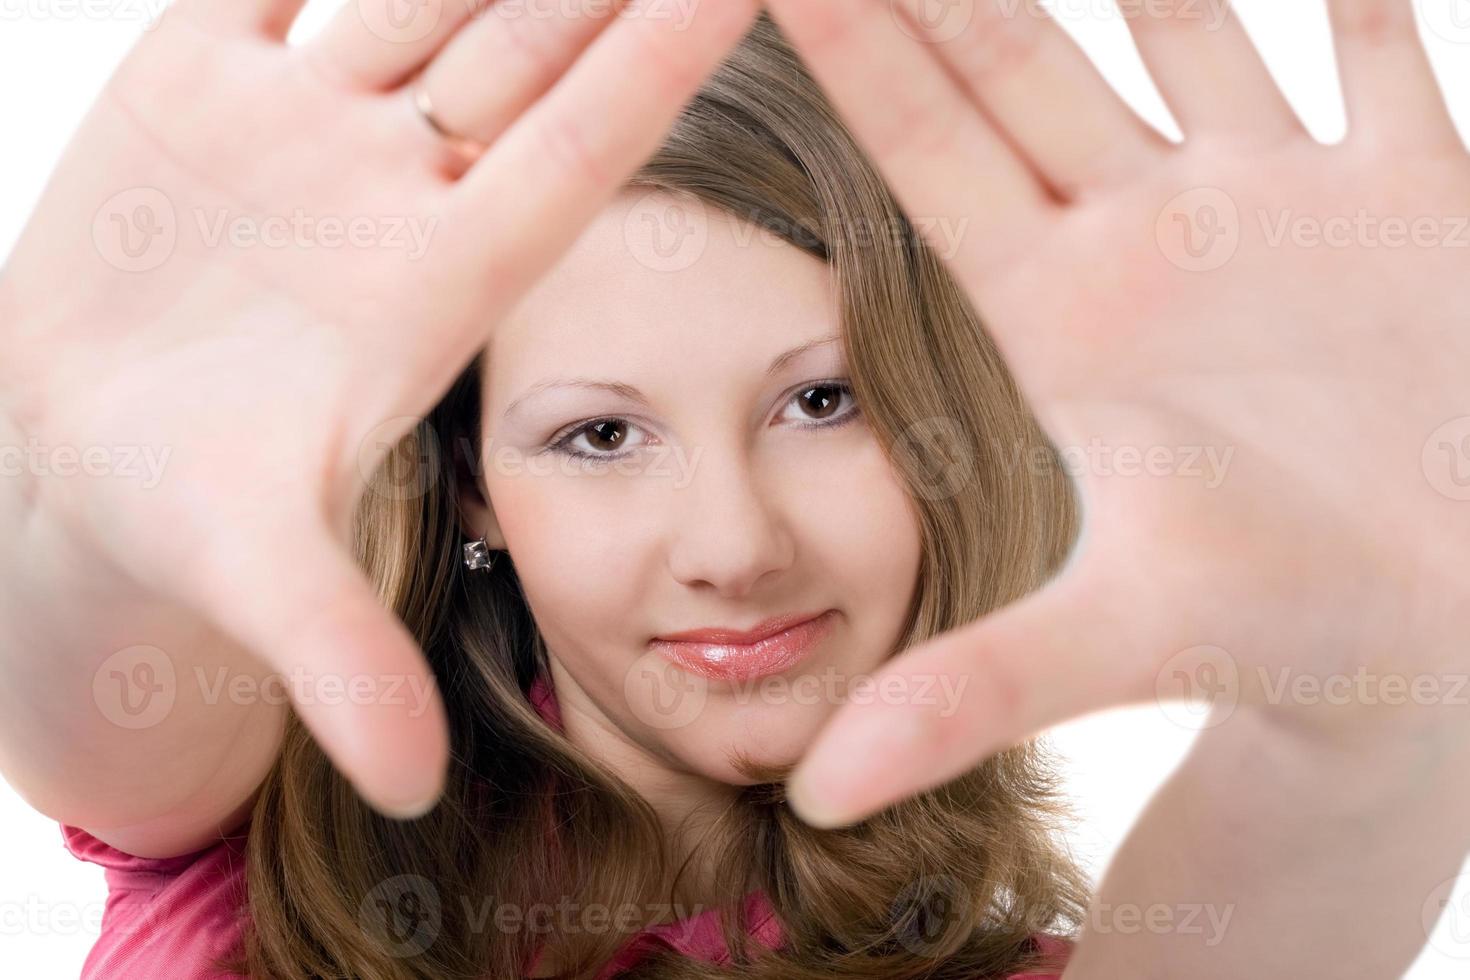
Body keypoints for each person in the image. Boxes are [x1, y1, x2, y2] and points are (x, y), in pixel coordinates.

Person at [3, 1, 1468, 978]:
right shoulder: (256, 838)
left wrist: (1379, 714)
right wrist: (84, 499)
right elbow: (85, 680)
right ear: (464, 485)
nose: (733, 546)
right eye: (598, 437)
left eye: (820, 402)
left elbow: (1304, 852)